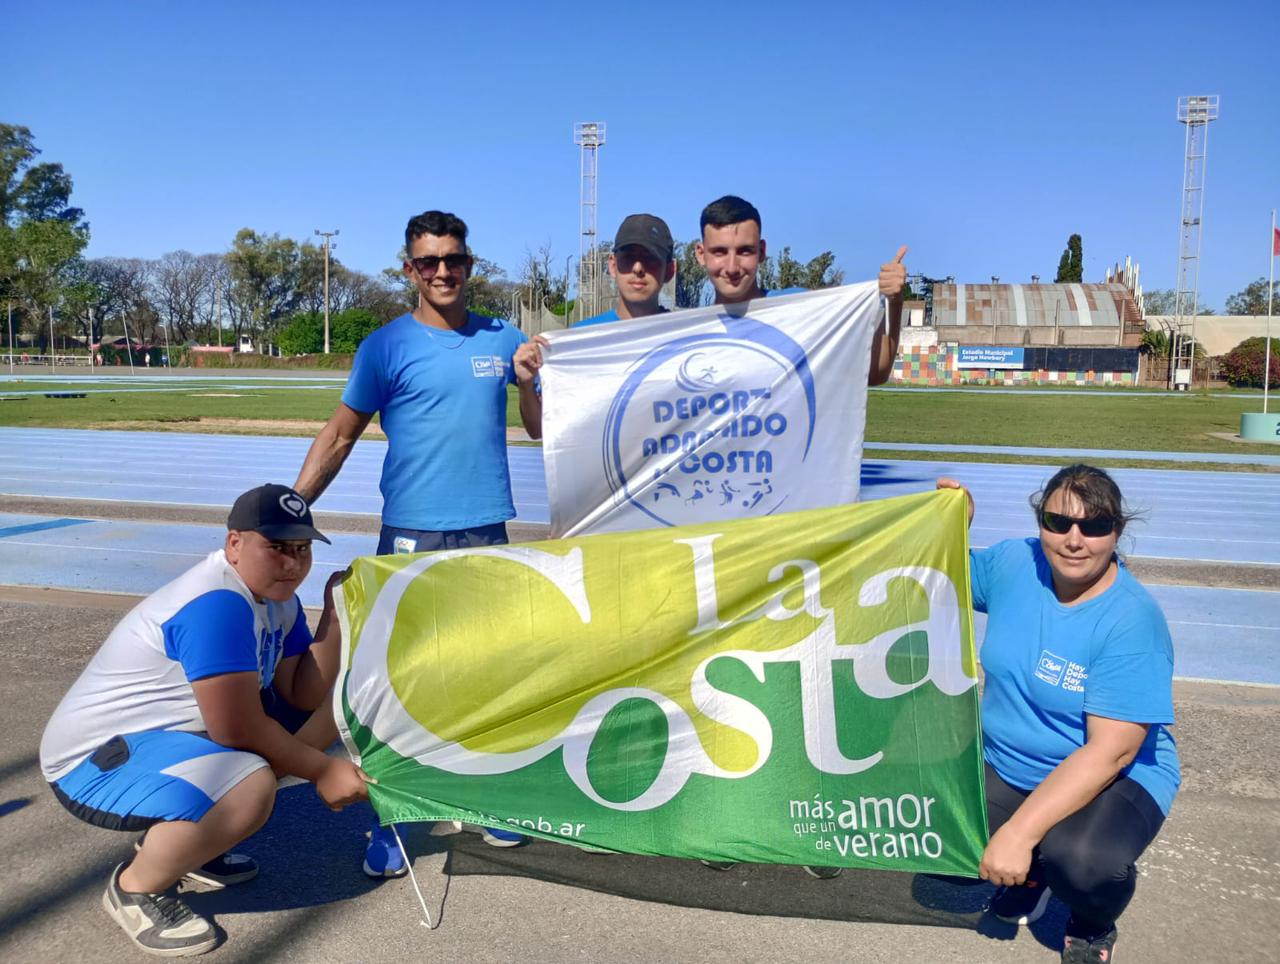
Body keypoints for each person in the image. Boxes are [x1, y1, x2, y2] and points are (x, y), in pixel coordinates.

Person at [294, 209, 545, 871]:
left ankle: (487, 799)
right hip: (409, 531)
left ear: (469, 265)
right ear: (409, 269)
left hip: (486, 527)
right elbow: (340, 435)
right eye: (428, 262)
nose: (442, 272)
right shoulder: (383, 347)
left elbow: (540, 427)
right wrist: (294, 506)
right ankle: (393, 819)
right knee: (397, 681)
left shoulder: (505, 338)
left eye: (453, 260)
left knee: (485, 669)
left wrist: (528, 380)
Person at [39, 483, 369, 958]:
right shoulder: (218, 603)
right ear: (234, 543)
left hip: (162, 740)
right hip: (93, 761)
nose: (293, 564)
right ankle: (137, 888)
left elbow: (301, 694)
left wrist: (337, 618)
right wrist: (323, 769)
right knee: (250, 785)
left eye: (302, 550)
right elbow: (237, 729)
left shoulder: (278, 600)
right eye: (277, 547)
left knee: (311, 718)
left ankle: (195, 843)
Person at [937, 465, 1179, 964]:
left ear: (1117, 531)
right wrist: (947, 524)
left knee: (1083, 862)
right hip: (1011, 761)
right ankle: (1031, 874)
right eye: (1057, 522)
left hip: (1113, 778)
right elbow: (940, 574)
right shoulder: (1013, 563)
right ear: (1040, 522)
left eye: (1094, 526)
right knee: (938, 844)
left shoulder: (1131, 620)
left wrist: (1018, 834)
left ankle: (1091, 926)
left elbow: (1110, 752)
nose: (1074, 540)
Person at [695, 194, 907, 385]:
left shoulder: (803, 309)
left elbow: (875, 373)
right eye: (719, 252)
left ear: (761, 252)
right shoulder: (685, 331)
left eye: (744, 251)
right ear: (701, 254)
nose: (732, 267)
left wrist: (894, 302)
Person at [575, 213, 677, 327]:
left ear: (670, 271)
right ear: (613, 266)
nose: (638, 268)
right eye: (629, 257)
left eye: (650, 258)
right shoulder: (581, 337)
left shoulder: (685, 337)